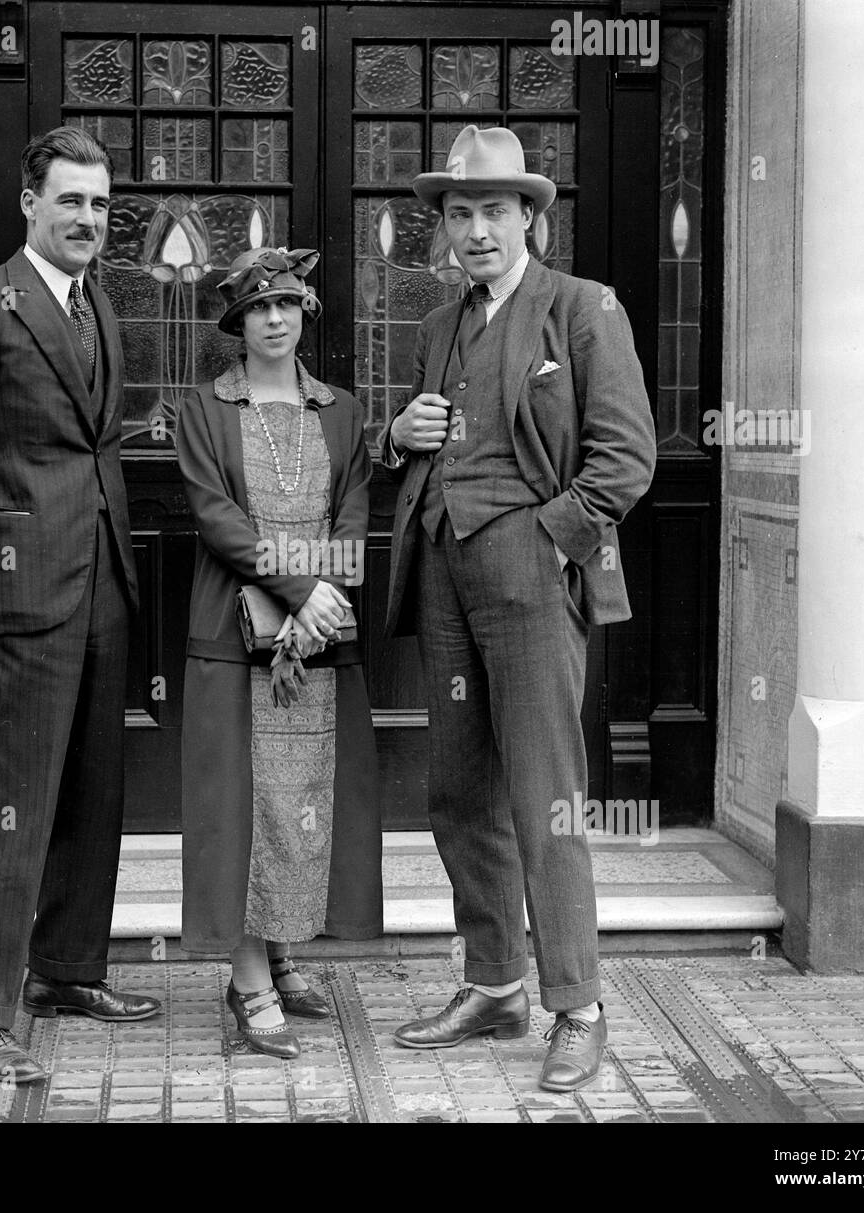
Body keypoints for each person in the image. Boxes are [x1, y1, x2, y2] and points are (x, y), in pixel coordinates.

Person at [379, 125, 656, 1091]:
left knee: (547, 797)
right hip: (445, 574)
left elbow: (626, 459)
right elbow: (425, 449)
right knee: (459, 791)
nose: (477, 230)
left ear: (531, 216)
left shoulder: (582, 311)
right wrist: (398, 433)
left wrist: (548, 539)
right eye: (460, 213)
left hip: (533, 580)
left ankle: (577, 1004)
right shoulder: (436, 326)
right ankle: (494, 981)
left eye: (495, 210)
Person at [0, 126, 160, 1083]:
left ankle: (67, 970)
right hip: (26, 591)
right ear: (28, 203)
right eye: (71, 202)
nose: (88, 219)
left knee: (94, 791)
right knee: (10, 801)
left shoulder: (102, 309)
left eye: (100, 205)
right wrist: (1, 535)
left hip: (102, 583)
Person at [175, 247, 383, 1059]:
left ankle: (285, 949)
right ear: (238, 324)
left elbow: (355, 509)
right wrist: (298, 590)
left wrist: (321, 603)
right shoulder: (205, 409)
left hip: (321, 635)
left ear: (303, 316)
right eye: (258, 309)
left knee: (303, 799)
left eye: (287, 306)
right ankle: (247, 979)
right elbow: (214, 514)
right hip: (234, 631)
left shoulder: (343, 410)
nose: (273, 319)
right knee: (243, 805)